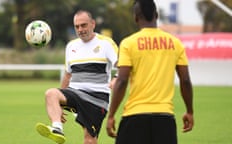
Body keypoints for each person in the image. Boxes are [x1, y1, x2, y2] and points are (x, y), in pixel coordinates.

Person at [106, 0, 194, 144]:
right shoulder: (175, 43)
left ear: (135, 18)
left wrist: (111, 115)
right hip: (165, 119)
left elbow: (121, 81)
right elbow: (185, 80)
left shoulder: (129, 43)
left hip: (134, 117)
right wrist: (189, 111)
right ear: (157, 15)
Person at [35, 10, 118, 144]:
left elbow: (122, 64)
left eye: (83, 25)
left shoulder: (106, 43)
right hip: (74, 92)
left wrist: (117, 77)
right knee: (51, 93)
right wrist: (60, 105)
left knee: (89, 140)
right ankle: (57, 129)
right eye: (77, 26)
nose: (80, 29)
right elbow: (68, 75)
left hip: (96, 99)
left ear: (93, 24)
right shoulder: (71, 46)